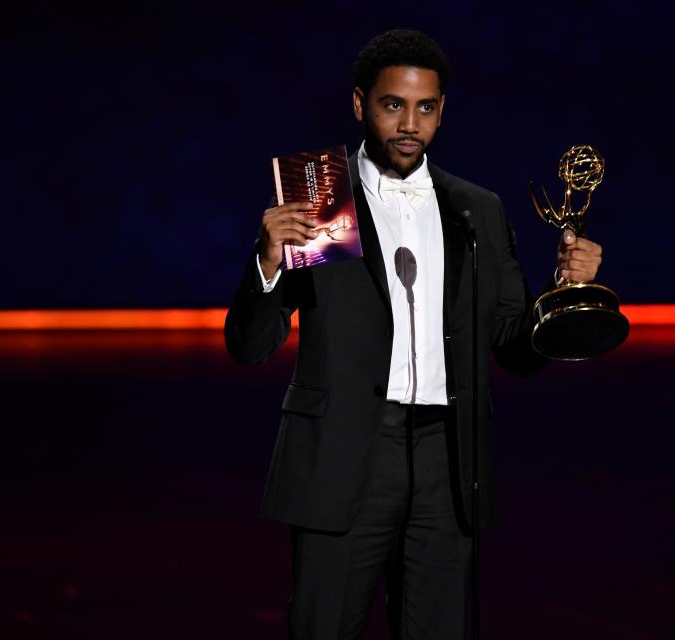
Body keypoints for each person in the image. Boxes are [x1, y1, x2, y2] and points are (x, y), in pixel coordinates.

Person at [225, 29, 604, 640]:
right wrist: (267, 264)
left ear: (441, 110)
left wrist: (560, 300)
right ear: (359, 104)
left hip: (445, 462)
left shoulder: (476, 209)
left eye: (425, 107)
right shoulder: (322, 198)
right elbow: (250, 346)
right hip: (346, 453)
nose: (409, 123)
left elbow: (512, 343)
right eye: (392, 104)